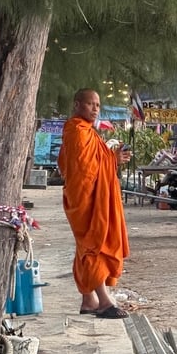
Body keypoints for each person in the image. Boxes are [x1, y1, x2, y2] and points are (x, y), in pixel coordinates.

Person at [58, 88, 131, 319]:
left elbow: (84, 163)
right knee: (94, 245)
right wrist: (111, 160)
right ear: (77, 104)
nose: (95, 109)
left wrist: (112, 159)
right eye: (90, 104)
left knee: (86, 246)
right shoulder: (76, 131)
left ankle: (89, 299)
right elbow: (84, 171)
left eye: (98, 105)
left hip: (90, 197)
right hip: (84, 199)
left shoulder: (87, 132)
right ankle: (104, 302)